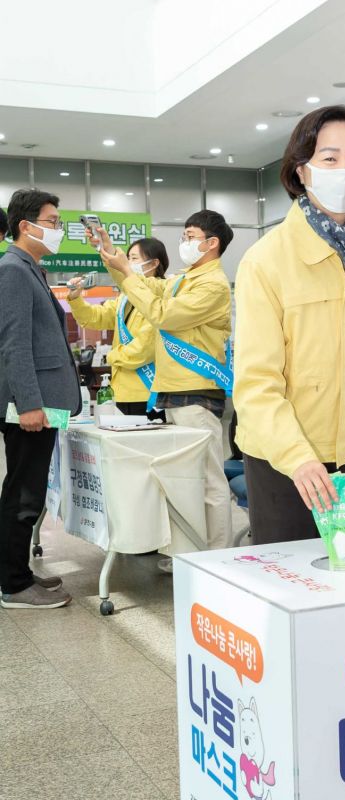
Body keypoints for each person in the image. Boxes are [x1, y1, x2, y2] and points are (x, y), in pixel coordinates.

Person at [233, 105, 345, 545]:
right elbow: (255, 382)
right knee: (288, 574)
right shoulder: (265, 260)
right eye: (329, 158)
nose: (344, 170)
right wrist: (297, 457)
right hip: (282, 458)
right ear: (301, 170)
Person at [91, 210, 233, 554]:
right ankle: (190, 552)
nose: (183, 242)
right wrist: (114, 257)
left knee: (209, 482)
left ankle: (219, 556)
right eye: (183, 235)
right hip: (173, 393)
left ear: (212, 243)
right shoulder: (183, 280)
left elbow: (163, 314)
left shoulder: (212, 285)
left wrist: (127, 272)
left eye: (190, 236)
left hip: (196, 393)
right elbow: (146, 286)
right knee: (184, 481)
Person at [0, 189, 81, 609]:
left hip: (44, 405)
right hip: (32, 407)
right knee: (23, 493)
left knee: (26, 488)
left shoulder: (31, 269)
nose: (57, 229)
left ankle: (16, 571)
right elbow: (13, 344)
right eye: (52, 222)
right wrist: (30, 403)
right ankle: (13, 585)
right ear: (25, 226)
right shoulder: (13, 270)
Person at [67, 238, 169, 417]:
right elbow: (95, 317)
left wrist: (111, 356)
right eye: (127, 258)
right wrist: (76, 298)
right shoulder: (125, 297)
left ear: (154, 263)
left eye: (134, 258)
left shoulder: (162, 297)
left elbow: (145, 349)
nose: (128, 263)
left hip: (148, 393)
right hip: (121, 392)